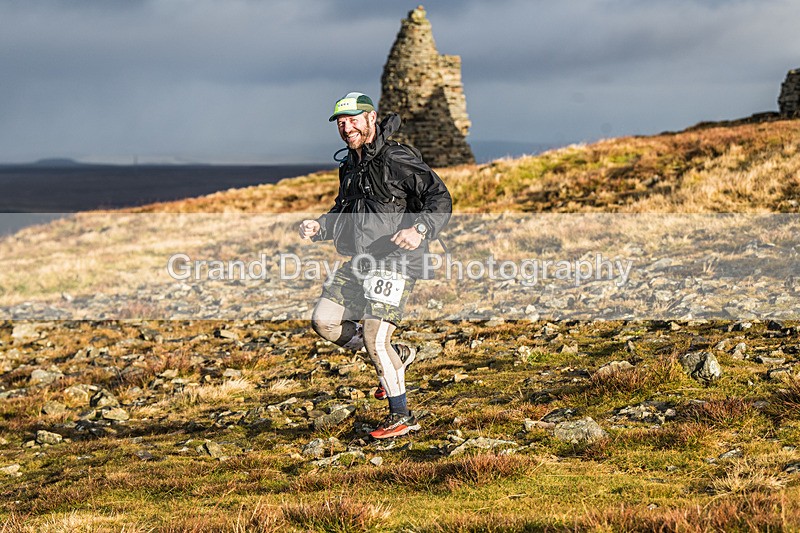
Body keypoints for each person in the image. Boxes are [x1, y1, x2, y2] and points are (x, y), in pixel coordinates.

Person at [299, 92, 452, 439]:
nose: (346, 127)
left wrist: (421, 229)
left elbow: (439, 197)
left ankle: (402, 416)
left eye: (353, 120)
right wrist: (320, 226)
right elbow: (346, 210)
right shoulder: (350, 165)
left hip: (397, 260)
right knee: (323, 321)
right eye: (341, 122)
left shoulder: (396, 157)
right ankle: (396, 356)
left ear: (372, 118)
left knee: (374, 337)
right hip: (362, 260)